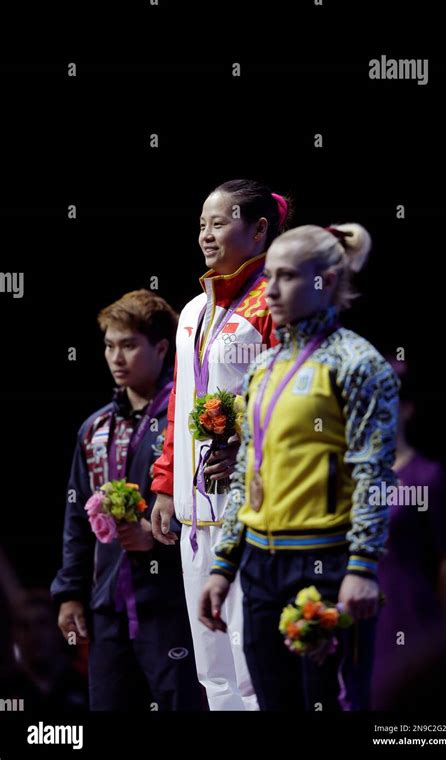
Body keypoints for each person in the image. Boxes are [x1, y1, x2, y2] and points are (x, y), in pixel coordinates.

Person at [199, 223, 400, 711]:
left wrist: (362, 567)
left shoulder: (358, 363)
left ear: (325, 282)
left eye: (285, 277)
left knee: (330, 705)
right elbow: (250, 466)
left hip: (327, 566)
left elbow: (374, 473)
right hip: (262, 568)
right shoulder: (263, 368)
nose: (269, 290)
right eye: (267, 276)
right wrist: (224, 564)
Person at [150, 179, 291, 710]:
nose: (207, 235)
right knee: (212, 669)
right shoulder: (191, 313)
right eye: (202, 225)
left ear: (259, 230)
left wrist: (249, 446)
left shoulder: (271, 307)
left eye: (220, 222)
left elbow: (292, 406)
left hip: (249, 512)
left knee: (252, 658)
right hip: (193, 515)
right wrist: (165, 487)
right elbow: (177, 406)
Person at [51, 289, 201, 711]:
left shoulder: (187, 421)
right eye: (109, 345)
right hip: (108, 608)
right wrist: (69, 593)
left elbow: (209, 507)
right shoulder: (93, 429)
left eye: (129, 345)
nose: (117, 357)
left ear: (160, 348)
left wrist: (156, 537)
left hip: (171, 604)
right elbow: (75, 521)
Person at [371, 358, 446, 708]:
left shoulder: (428, 477)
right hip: (362, 620)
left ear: (406, 410)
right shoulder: (357, 479)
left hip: (412, 616)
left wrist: (436, 624)